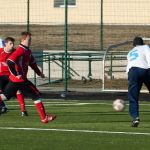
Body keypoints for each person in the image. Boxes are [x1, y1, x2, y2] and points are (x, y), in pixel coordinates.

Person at [0, 31, 56, 123]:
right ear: (23, 40)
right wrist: (15, 74)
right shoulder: (20, 50)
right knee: (36, 95)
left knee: (5, 96)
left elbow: (32, 63)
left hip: (15, 81)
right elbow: (10, 61)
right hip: (20, 80)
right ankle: (44, 118)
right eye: (29, 39)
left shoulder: (27, 51)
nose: (31, 41)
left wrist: (39, 73)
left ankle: (44, 118)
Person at [0, 37, 28, 116]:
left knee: (18, 91)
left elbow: (20, 62)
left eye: (13, 44)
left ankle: (23, 111)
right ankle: (2, 107)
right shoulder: (0, 52)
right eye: (10, 44)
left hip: (11, 75)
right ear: (5, 44)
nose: (12, 45)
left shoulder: (15, 52)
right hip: (1, 75)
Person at [127, 36, 150, 127]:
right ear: (142, 43)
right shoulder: (146, 47)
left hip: (132, 72)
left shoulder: (130, 52)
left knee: (133, 96)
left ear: (134, 45)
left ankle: (135, 118)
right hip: (144, 70)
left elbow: (128, 67)